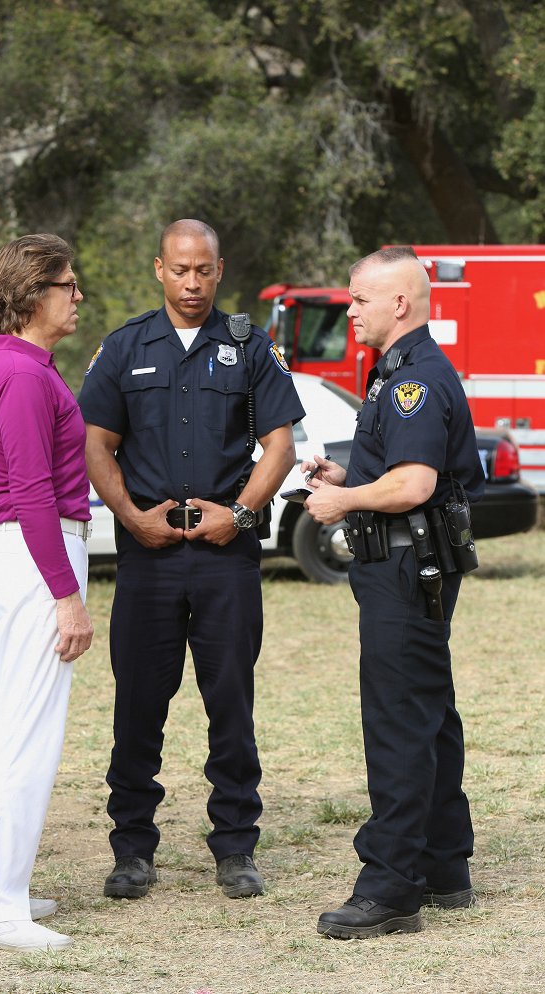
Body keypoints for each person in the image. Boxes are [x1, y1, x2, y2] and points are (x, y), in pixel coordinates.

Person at [78, 218, 305, 900]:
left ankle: (235, 849)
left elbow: (279, 447)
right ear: (158, 269)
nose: (192, 282)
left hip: (224, 557)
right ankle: (132, 851)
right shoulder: (124, 349)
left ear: (219, 268)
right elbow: (96, 445)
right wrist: (129, 517)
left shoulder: (248, 347)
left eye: (203, 269)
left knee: (229, 704)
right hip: (147, 557)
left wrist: (236, 515)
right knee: (138, 707)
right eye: (179, 269)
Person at [302, 246, 485, 939]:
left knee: (398, 722)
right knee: (428, 712)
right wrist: (345, 470)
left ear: (399, 303)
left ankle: (390, 888)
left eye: (357, 300)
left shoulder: (414, 380)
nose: (348, 311)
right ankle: (443, 866)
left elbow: (413, 486)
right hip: (410, 563)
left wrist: (342, 498)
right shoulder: (397, 374)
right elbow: (401, 468)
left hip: (404, 569)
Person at [0, 234, 95, 952]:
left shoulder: (12, 367)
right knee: (22, 738)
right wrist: (67, 596)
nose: (77, 297)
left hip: (21, 554)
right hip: (37, 555)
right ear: (36, 292)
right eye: (69, 285)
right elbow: (34, 492)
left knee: (1, 727)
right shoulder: (24, 375)